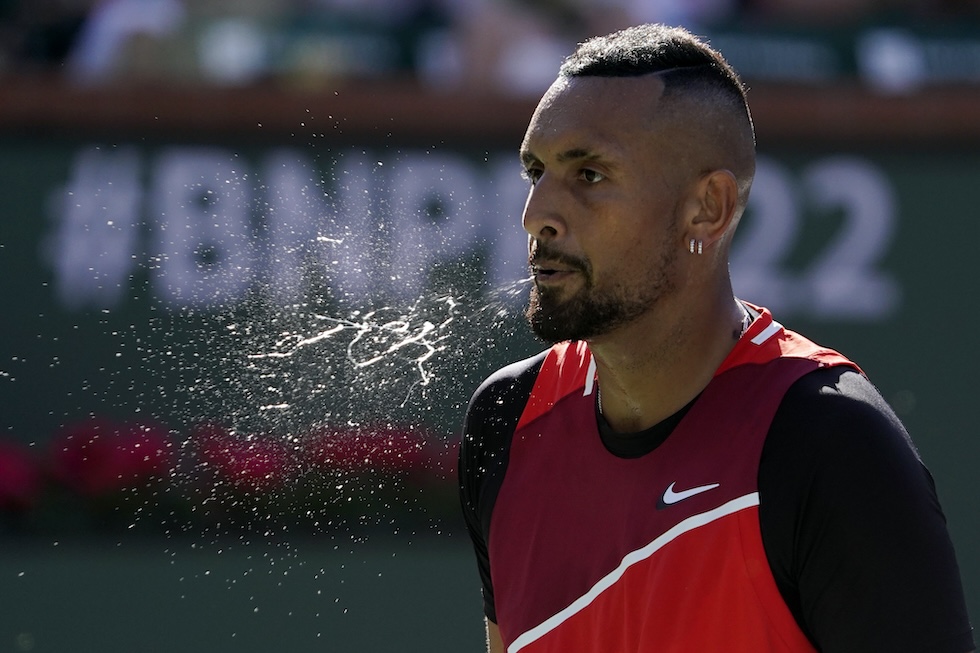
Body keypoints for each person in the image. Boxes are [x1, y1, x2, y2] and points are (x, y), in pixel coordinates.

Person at [458, 23, 975, 653]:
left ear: (708, 208)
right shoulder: (505, 422)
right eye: (535, 170)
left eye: (588, 175)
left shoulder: (832, 444)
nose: (536, 212)